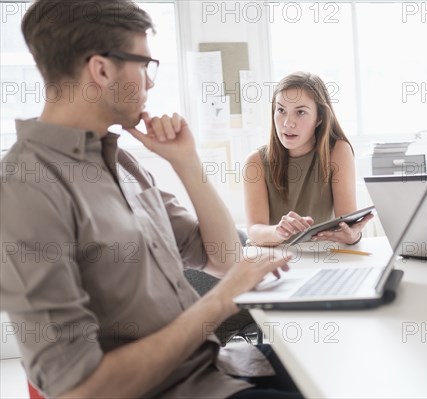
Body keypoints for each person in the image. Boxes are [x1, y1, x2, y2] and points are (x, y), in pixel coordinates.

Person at [0, 1, 302, 398]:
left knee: (337, 365)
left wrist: (187, 164)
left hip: (214, 366)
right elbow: (78, 389)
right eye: (145, 65)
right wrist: (220, 301)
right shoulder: (25, 188)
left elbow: (224, 258)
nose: (150, 82)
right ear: (102, 70)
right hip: (174, 390)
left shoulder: (118, 159)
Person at [244, 72, 373, 246]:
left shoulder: (338, 152)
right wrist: (279, 231)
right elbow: (254, 232)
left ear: (319, 118)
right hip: (270, 260)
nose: (288, 123)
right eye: (281, 110)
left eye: (301, 112)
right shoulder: (255, 162)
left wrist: (353, 237)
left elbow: (347, 225)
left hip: (318, 259)